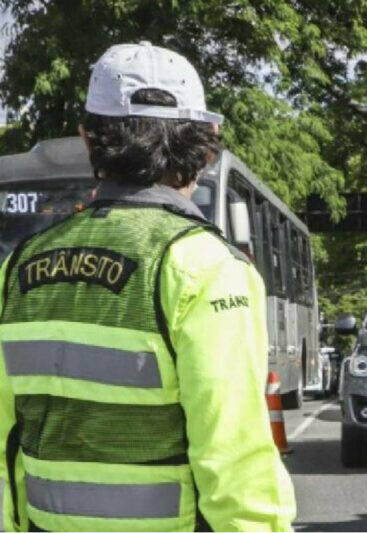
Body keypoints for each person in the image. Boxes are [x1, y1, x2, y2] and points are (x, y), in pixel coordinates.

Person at [0, 42, 295, 532]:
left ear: (88, 139)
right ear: (206, 143)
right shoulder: (207, 267)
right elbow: (235, 458)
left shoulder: (19, 269)